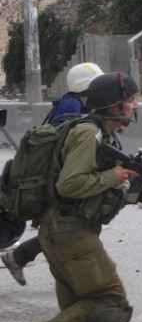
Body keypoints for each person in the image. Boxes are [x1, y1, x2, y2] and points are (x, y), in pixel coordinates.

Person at [5, 72, 142, 322]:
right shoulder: (87, 134)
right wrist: (113, 176)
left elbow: (97, 191)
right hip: (71, 234)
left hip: (62, 232)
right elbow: (69, 185)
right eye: (131, 100)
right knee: (111, 304)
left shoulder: (102, 135)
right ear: (114, 105)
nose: (135, 105)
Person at [2, 62, 104, 286]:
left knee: (68, 225)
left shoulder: (75, 103)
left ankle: (19, 258)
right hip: (58, 176)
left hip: (60, 174)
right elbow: (65, 144)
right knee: (71, 225)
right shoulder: (72, 106)